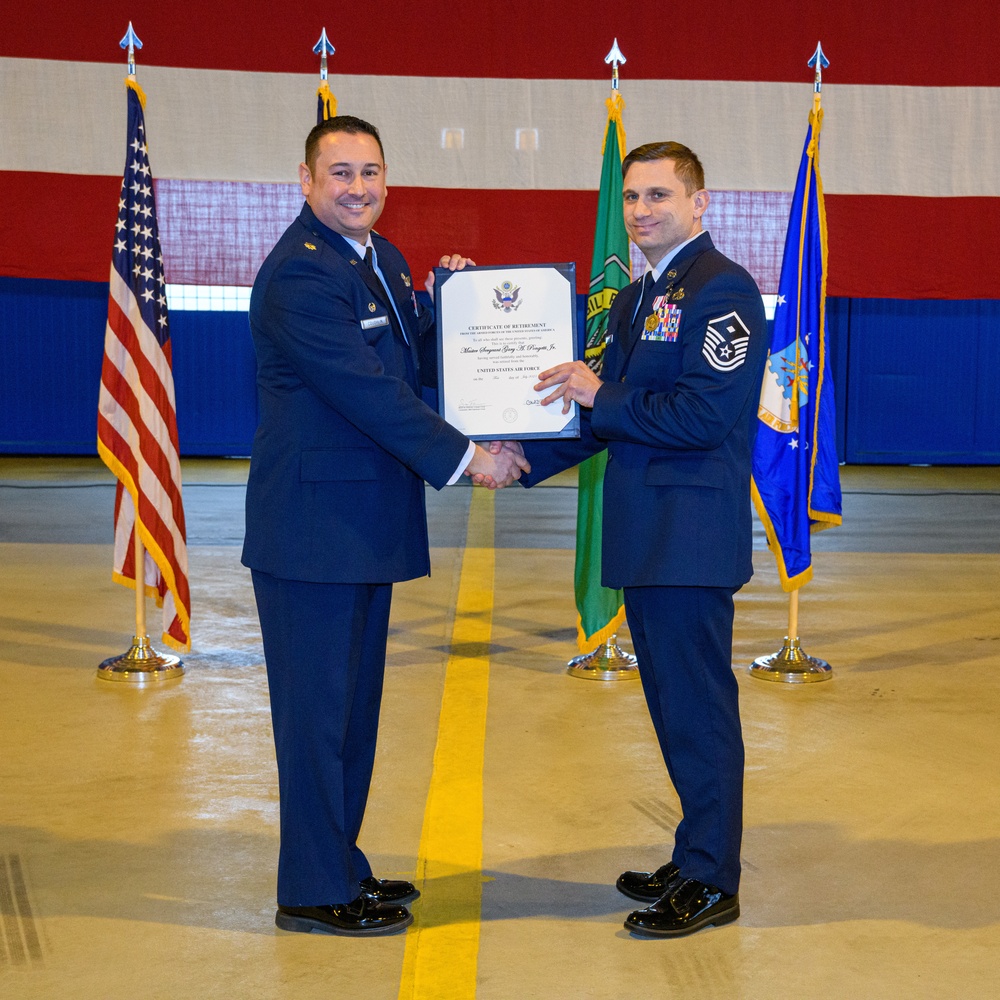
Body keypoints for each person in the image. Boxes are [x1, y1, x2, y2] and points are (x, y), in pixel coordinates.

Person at [242, 115, 526, 936]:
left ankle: (341, 865)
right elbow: (367, 392)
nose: (357, 187)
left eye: (370, 172)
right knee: (316, 720)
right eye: (339, 174)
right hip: (313, 533)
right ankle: (311, 889)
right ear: (305, 181)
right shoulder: (300, 276)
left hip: (360, 527)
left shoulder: (381, 259)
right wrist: (471, 457)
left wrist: (449, 310)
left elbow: (404, 361)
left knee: (350, 718)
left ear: (387, 179)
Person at [507, 141, 767, 937]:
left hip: (687, 541)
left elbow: (701, 415)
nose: (642, 210)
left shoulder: (722, 293)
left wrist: (601, 390)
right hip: (650, 537)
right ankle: (695, 854)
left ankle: (713, 880)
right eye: (631, 197)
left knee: (698, 710)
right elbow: (595, 416)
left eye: (659, 194)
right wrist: (514, 457)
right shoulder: (638, 297)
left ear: (700, 202)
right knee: (673, 708)